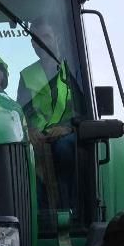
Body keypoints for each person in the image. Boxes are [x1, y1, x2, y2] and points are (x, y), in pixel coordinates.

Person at [15, 20, 81, 212]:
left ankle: (71, 210)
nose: (41, 43)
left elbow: (84, 111)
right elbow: (22, 111)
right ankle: (38, 215)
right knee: (25, 157)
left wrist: (68, 127)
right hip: (39, 139)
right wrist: (31, 130)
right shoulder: (26, 75)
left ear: (57, 38)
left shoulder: (73, 71)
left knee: (64, 149)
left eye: (46, 37)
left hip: (69, 134)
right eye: (36, 39)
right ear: (32, 44)